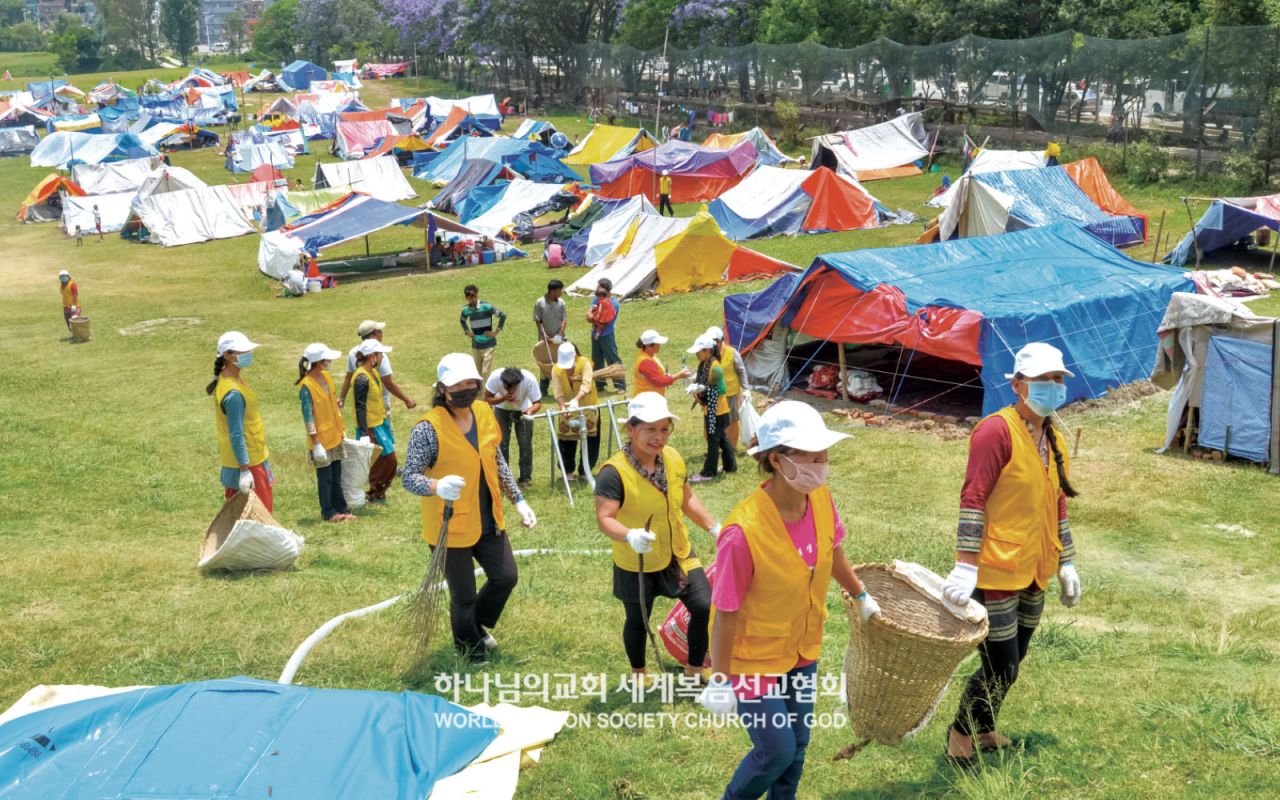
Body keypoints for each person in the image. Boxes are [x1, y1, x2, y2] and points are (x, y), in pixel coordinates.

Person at [697, 401, 880, 800]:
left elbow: (835, 554)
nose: (822, 464)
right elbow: (725, 611)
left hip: (802, 649)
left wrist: (861, 593)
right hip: (752, 658)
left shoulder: (819, 497)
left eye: (824, 456)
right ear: (777, 461)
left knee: (797, 746)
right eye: (812, 457)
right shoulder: (742, 532)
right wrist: (722, 679)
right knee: (775, 750)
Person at [940, 342, 1081, 765]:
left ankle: (984, 728)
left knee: (1015, 657)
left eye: (1057, 379)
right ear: (1018, 385)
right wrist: (966, 564)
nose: (1053, 387)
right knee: (1002, 663)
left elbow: (1057, 499)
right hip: (997, 568)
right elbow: (974, 498)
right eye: (1043, 380)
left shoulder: (1053, 434)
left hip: (1035, 565)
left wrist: (1067, 561)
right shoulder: (995, 431)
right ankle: (960, 733)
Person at [401, 353, 538, 662]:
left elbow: (496, 459)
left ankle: (476, 625)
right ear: (442, 390)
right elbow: (409, 477)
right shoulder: (427, 429)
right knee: (463, 596)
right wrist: (436, 486)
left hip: (488, 517)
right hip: (449, 525)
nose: (465, 389)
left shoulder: (484, 413)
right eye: (457, 385)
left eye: (470, 383)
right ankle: (470, 651)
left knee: (506, 577)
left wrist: (518, 499)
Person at [594, 392, 721, 681]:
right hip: (635, 560)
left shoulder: (673, 458)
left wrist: (714, 528)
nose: (659, 437)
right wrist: (629, 535)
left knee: (704, 606)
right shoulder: (613, 473)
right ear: (632, 428)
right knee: (638, 620)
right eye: (650, 429)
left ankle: (694, 669)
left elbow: (687, 499)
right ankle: (639, 672)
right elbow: (604, 519)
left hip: (678, 551)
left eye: (664, 429)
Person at [206, 331, 273, 511]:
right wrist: (244, 470)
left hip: (252, 456)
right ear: (227, 355)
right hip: (247, 462)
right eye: (242, 352)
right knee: (257, 516)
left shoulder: (231, 378)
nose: (247, 355)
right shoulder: (233, 394)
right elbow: (236, 433)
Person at [296, 342, 355, 522]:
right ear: (320, 363)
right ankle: (328, 512)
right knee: (325, 478)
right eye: (327, 359)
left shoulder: (326, 377)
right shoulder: (306, 386)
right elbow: (308, 417)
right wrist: (315, 443)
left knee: (337, 474)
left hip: (334, 435)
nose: (330, 361)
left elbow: (329, 400)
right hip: (320, 440)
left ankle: (341, 508)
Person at [352, 338, 397, 505]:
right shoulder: (361, 378)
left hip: (379, 422)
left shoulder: (374, 373)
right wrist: (364, 433)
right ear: (372, 356)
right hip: (370, 427)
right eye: (380, 354)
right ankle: (374, 495)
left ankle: (378, 494)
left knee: (388, 460)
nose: (383, 357)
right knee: (386, 460)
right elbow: (360, 406)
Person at [686, 334, 736, 483]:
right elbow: (701, 381)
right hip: (711, 409)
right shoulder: (704, 364)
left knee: (713, 441)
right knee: (721, 439)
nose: (696, 354)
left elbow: (722, 389)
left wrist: (703, 389)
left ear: (708, 351)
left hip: (717, 410)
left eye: (698, 351)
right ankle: (730, 466)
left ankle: (708, 472)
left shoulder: (716, 368)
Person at [484, 366, 542, 488]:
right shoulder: (495, 377)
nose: (510, 392)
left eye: (513, 389)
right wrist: (504, 398)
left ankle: (525, 479)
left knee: (525, 443)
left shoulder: (529, 379)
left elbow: (537, 403)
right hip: (501, 410)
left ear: (519, 383)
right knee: (501, 443)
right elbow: (487, 399)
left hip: (524, 409)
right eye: (506, 388)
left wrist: (530, 411)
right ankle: (504, 479)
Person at [339, 320, 416, 412]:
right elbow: (388, 383)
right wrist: (407, 400)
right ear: (373, 335)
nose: (382, 334)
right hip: (379, 407)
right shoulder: (379, 356)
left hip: (361, 404)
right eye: (379, 331)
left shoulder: (353, 352)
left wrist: (342, 398)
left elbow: (348, 377)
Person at [551, 341, 600, 480]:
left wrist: (576, 399)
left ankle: (585, 471)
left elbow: (587, 384)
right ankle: (567, 471)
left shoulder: (584, 363)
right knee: (566, 441)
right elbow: (557, 390)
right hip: (567, 407)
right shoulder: (556, 369)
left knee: (591, 440)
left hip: (588, 407)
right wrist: (562, 406)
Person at [707, 325, 749, 451]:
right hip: (713, 393)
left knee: (731, 422)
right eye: (712, 341)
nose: (715, 344)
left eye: (717, 341)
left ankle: (731, 447)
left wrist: (746, 388)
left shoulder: (732, 353)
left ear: (722, 340)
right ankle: (713, 447)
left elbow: (741, 371)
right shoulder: (708, 354)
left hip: (731, 393)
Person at [588, 278, 626, 394]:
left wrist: (593, 319)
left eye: (598, 287)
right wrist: (594, 319)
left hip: (607, 336)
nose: (596, 289)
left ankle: (620, 385)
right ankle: (600, 384)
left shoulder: (613, 304)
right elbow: (588, 315)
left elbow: (604, 323)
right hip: (595, 333)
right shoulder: (597, 298)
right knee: (597, 359)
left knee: (612, 359)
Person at [460, 284, 506, 379]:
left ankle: (485, 393)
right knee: (477, 373)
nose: (473, 299)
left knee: (485, 372)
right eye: (470, 298)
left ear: (477, 295)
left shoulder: (486, 306)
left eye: (475, 297)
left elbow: (503, 315)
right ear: (466, 298)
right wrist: (467, 331)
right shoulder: (466, 310)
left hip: (489, 344)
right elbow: (462, 320)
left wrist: (496, 332)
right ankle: (480, 392)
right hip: (476, 345)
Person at [534, 279, 568, 393]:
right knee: (545, 364)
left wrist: (559, 334)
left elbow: (564, 319)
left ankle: (563, 387)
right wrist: (545, 336)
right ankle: (543, 389)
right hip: (545, 340)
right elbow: (538, 321)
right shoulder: (540, 303)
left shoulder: (561, 302)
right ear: (552, 291)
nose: (561, 292)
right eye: (559, 290)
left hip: (560, 339)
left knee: (562, 362)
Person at [633, 329, 690, 397]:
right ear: (650, 346)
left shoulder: (649, 355)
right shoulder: (645, 362)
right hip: (647, 401)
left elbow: (657, 376)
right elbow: (660, 381)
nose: (659, 345)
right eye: (657, 343)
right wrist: (678, 375)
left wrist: (666, 376)